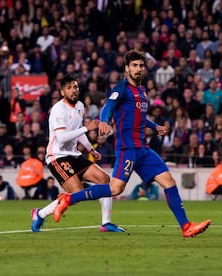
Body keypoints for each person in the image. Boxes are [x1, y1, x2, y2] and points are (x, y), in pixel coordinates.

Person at [53, 50, 211, 238]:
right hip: (128, 150)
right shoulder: (122, 88)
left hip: (143, 150)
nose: (138, 69)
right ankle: (68, 199)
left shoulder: (142, 91)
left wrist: (155, 126)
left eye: (141, 66)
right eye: (134, 65)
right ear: (127, 68)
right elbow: (107, 107)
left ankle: (186, 227)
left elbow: (139, 118)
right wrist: (103, 121)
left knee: (169, 181)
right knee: (115, 189)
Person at [30, 74, 123, 233]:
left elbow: (77, 132)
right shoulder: (58, 110)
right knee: (77, 193)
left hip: (75, 155)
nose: (74, 90)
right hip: (57, 157)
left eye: (76, 87)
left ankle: (106, 223)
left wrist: (90, 149)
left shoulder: (79, 105)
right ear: (62, 92)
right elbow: (61, 137)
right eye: (70, 88)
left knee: (104, 179)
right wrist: (87, 128)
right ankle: (40, 214)